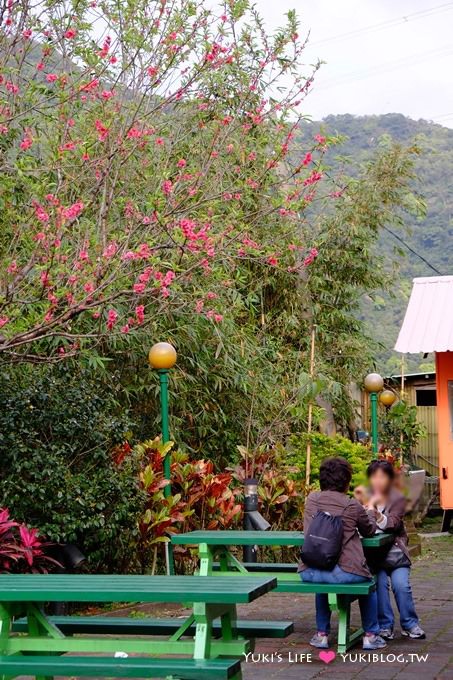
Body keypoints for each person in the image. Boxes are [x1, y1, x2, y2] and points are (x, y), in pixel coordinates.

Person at [299, 457, 387, 650]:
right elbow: (369, 531)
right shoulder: (351, 505)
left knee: (322, 575)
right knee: (368, 580)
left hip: (310, 570)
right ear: (346, 482)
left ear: (321, 479)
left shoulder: (312, 499)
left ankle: (321, 634)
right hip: (345, 572)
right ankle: (371, 635)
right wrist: (371, 512)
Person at [366, 460, 425, 640]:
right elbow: (362, 526)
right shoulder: (364, 499)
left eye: (382, 477)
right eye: (374, 477)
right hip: (376, 558)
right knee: (380, 585)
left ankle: (410, 624)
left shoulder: (398, 499)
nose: (378, 481)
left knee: (401, 585)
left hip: (396, 555)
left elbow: (393, 523)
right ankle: (385, 626)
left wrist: (376, 515)